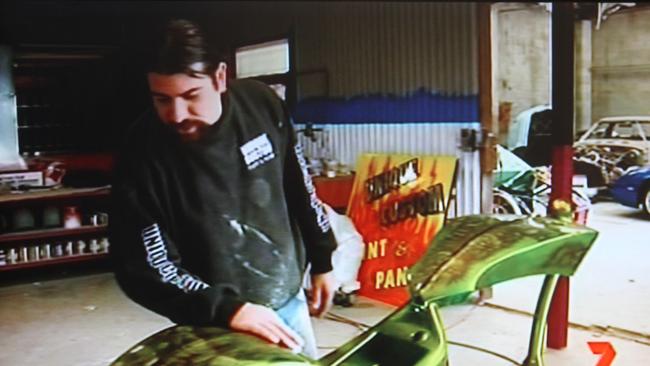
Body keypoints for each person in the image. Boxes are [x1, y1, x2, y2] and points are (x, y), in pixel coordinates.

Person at [109, 18, 337, 358]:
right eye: (162, 100)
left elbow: (299, 186)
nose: (176, 114)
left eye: (191, 96)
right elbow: (143, 265)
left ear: (219, 78)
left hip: (286, 297)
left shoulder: (262, 105)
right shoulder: (142, 151)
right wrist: (226, 309)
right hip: (213, 322)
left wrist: (322, 259)